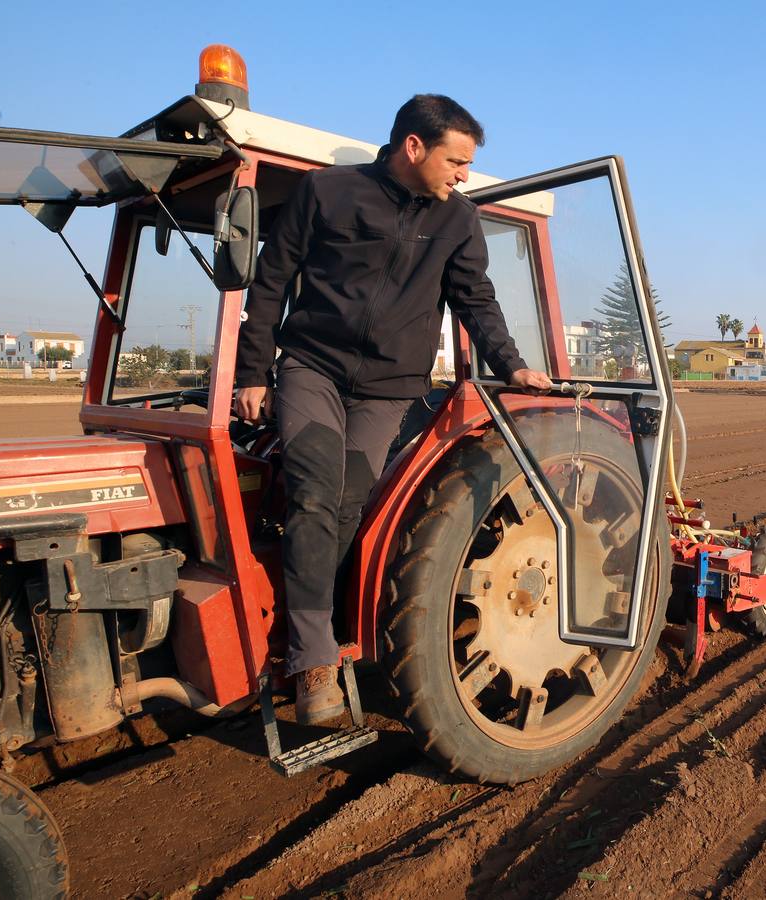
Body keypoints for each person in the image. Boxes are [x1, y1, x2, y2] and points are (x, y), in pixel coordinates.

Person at [234, 95, 552, 724]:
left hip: (387, 388)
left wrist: (512, 365)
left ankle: (330, 617)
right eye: (456, 161)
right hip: (312, 367)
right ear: (414, 147)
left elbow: (475, 300)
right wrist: (251, 373)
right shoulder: (327, 193)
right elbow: (270, 282)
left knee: (349, 502)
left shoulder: (458, 221)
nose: (463, 174)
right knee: (315, 494)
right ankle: (313, 661)